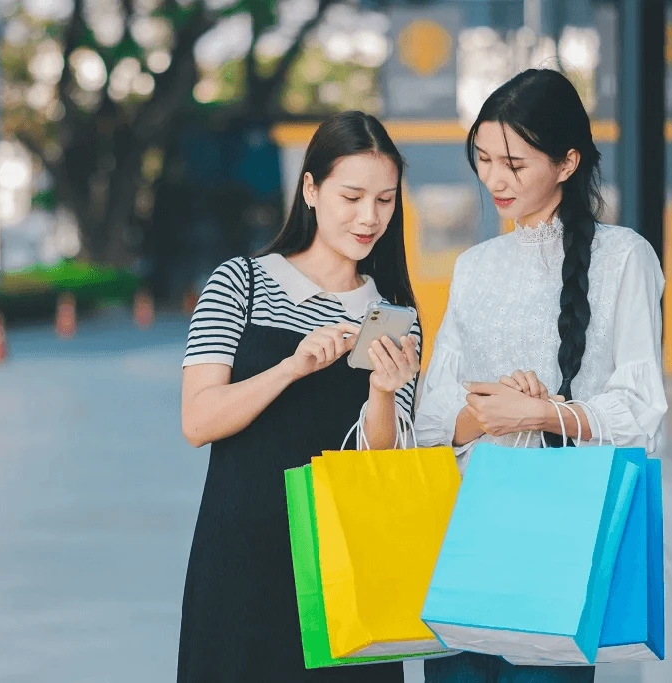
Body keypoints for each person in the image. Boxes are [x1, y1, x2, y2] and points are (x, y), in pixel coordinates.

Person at [415, 68, 668, 682]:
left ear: (566, 162)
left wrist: (545, 412)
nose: (494, 179)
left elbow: (643, 412)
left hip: (561, 544)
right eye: (482, 158)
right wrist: (491, 408)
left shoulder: (624, 257)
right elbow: (429, 418)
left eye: (514, 163)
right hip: (465, 537)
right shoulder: (474, 267)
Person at [178, 111, 421, 683]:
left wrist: (383, 393)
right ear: (310, 189)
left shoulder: (392, 315)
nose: (369, 218)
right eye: (352, 196)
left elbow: (383, 464)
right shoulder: (241, 283)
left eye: (385, 201)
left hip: (347, 572)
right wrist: (291, 368)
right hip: (242, 559)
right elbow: (198, 420)